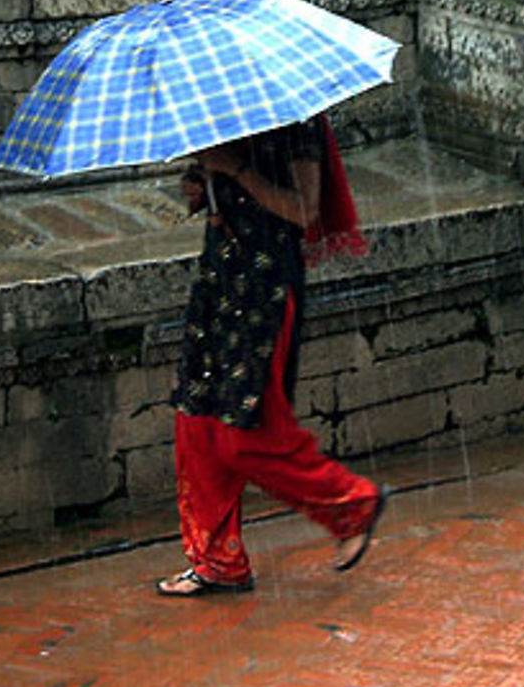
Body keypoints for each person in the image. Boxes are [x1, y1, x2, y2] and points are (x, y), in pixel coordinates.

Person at [157, 113, 387, 597]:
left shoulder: (295, 118)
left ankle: (352, 506)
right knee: (195, 421)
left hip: (264, 291)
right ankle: (217, 560)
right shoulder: (220, 106)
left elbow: (304, 210)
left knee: (245, 433)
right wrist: (205, 184)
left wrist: (237, 169)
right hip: (218, 281)